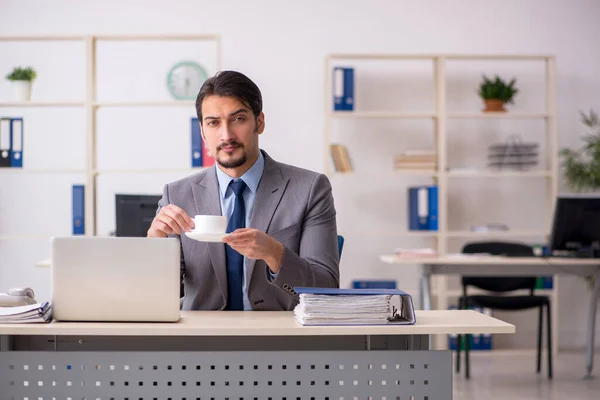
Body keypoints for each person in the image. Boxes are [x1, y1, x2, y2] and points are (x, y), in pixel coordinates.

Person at [147, 70, 340, 311]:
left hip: (279, 338)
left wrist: (274, 253)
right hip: (200, 338)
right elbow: (156, 294)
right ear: (203, 132)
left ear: (259, 122)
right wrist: (155, 241)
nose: (226, 135)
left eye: (238, 119)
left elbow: (327, 289)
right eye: (214, 123)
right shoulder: (177, 195)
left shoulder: (310, 189)